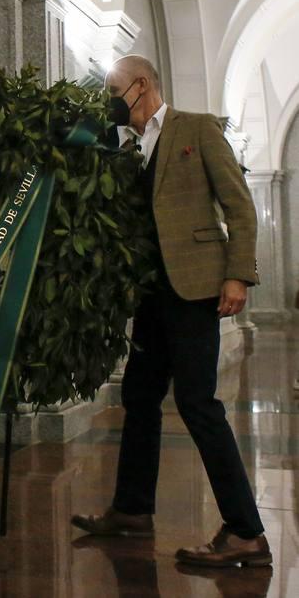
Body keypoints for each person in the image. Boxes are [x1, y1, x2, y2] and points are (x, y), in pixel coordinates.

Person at [72, 55, 271, 568]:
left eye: (115, 90)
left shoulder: (197, 129)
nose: (110, 100)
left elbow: (239, 205)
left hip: (196, 286)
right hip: (151, 293)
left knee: (198, 404)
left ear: (141, 86)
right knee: (140, 395)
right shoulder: (124, 146)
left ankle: (246, 530)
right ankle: (133, 510)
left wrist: (237, 274)